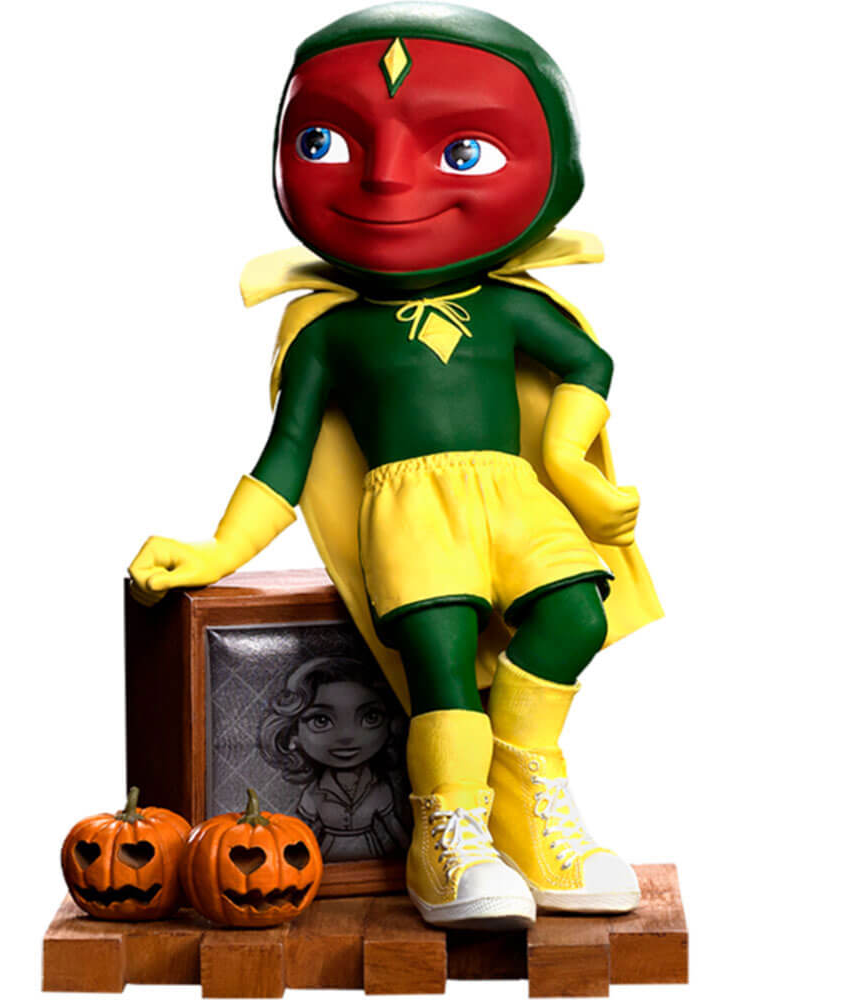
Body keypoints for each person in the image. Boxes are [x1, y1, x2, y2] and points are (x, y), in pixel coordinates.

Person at [129, 3, 662, 929]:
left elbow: (588, 364)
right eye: (327, 141)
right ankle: (447, 834)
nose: (384, 178)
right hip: (408, 514)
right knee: (440, 661)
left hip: (513, 492)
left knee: (577, 611)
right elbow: (286, 459)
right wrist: (218, 551)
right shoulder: (331, 335)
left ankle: (525, 795)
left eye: (461, 151)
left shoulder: (509, 307)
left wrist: (568, 461)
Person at [258, 656, 410, 861]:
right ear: (293, 734)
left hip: (373, 863)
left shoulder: (379, 788)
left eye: (370, 717)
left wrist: (413, 858)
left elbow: (393, 827)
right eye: (321, 720)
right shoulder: (314, 793)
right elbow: (307, 832)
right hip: (327, 861)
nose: (347, 736)